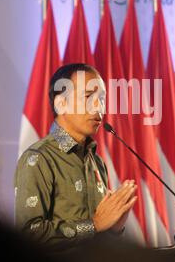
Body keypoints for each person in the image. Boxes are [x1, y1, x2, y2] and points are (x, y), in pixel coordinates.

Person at [14, 63, 138, 251]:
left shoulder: (96, 162)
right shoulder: (38, 159)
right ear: (60, 103)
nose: (99, 106)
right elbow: (30, 234)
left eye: (102, 98)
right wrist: (94, 224)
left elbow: (100, 234)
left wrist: (115, 227)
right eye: (89, 97)